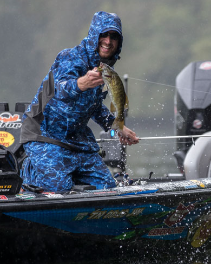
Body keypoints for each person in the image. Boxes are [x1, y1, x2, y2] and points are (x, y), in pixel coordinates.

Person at [20, 11, 139, 192]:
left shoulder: (103, 67)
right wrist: (81, 83)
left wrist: (117, 126)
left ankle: (66, 172)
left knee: (107, 188)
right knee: (59, 189)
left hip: (78, 141)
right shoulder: (69, 57)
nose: (108, 41)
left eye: (114, 36)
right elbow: (57, 90)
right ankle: (29, 168)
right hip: (44, 137)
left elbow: (94, 106)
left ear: (119, 42)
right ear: (94, 35)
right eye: (104, 35)